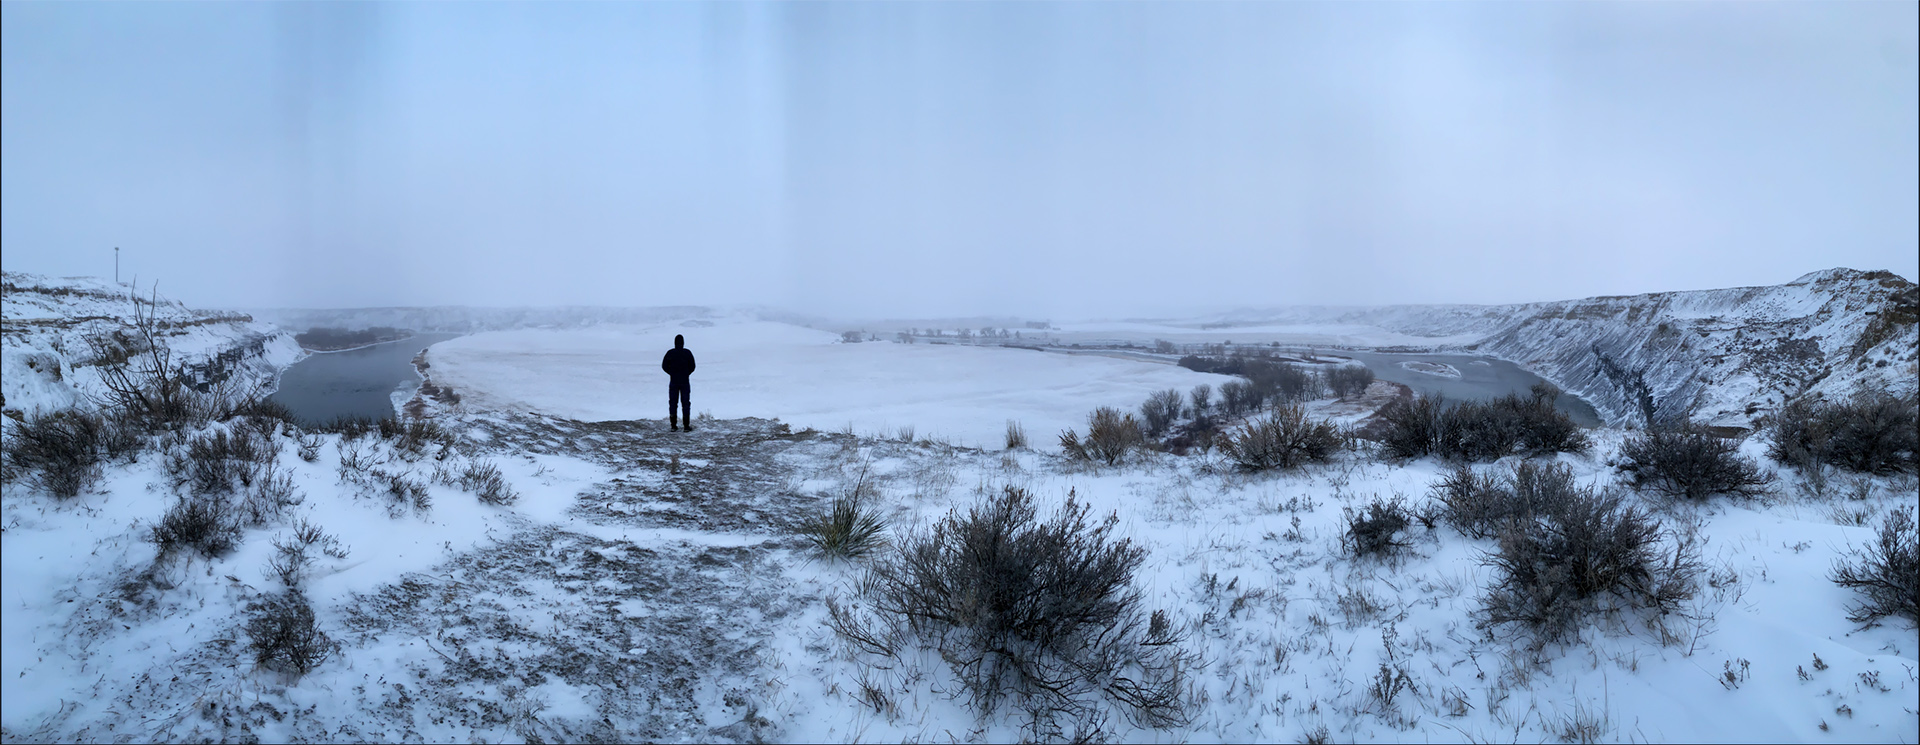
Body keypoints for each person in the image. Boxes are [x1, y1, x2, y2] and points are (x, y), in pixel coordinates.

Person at [661, 334, 696, 431]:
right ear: (683, 343)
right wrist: (686, 373)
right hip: (684, 381)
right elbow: (693, 366)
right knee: (685, 403)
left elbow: (664, 366)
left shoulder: (670, 353)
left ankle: (673, 425)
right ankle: (686, 426)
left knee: (673, 402)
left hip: (674, 381)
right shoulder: (687, 353)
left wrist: (671, 373)